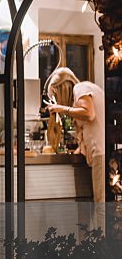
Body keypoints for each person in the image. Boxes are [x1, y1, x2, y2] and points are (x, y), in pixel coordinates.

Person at [45, 67, 106, 203]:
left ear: (58, 89)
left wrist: (62, 109)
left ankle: (103, 225)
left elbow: (89, 114)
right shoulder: (83, 92)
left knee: (101, 204)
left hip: (101, 152)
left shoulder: (80, 88)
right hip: (102, 151)